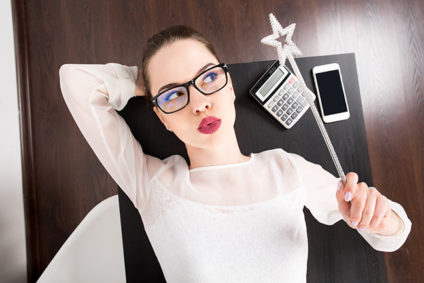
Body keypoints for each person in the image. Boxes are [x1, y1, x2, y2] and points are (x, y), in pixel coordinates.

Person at [59, 25, 411, 282]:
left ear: (229, 86)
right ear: (160, 117)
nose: (199, 103)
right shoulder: (151, 184)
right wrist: (151, 82)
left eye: (208, 79)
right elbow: (75, 81)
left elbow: (394, 236)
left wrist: (380, 218)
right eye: (173, 96)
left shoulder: (287, 169)